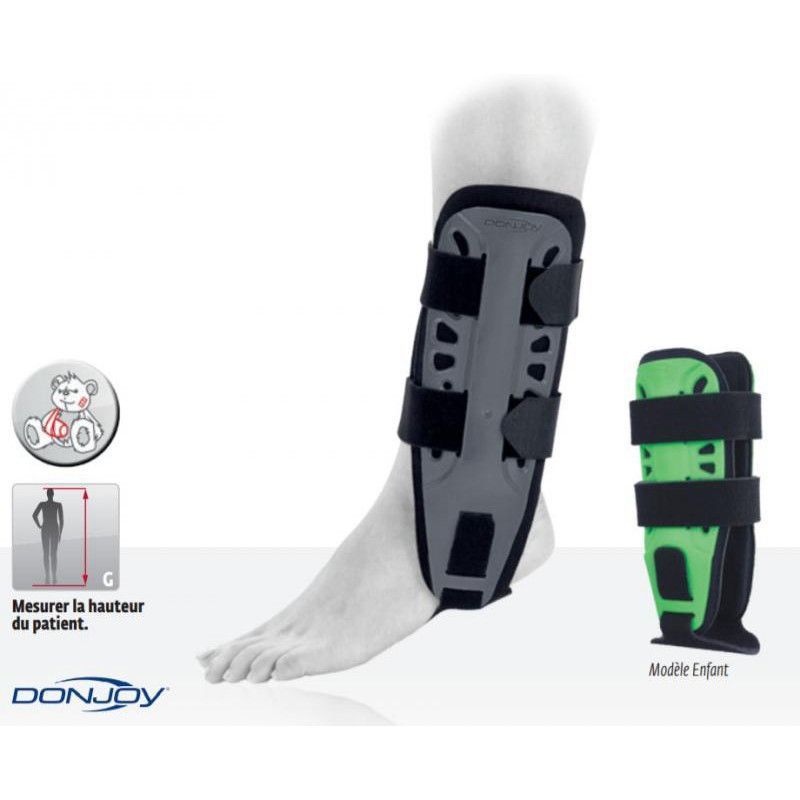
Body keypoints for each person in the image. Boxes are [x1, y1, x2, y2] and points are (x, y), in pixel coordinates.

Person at [33, 489, 64, 585]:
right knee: (53, 554)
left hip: (46, 528)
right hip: (54, 529)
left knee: (46, 553)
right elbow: (62, 520)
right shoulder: (58, 505)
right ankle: (52, 575)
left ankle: (48, 575)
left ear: (47, 494)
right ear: (53, 494)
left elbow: (34, 515)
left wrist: (39, 525)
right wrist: (60, 533)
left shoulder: (43, 504)